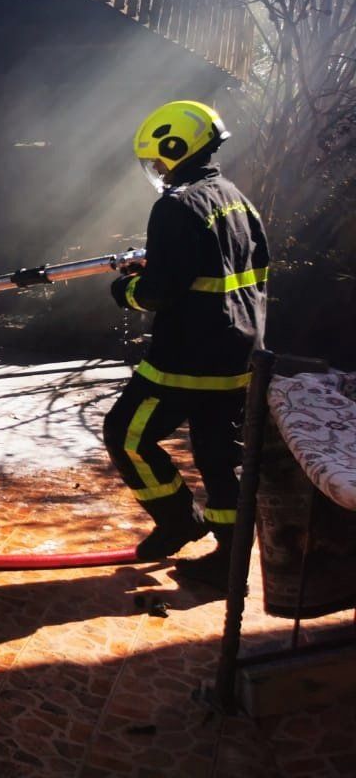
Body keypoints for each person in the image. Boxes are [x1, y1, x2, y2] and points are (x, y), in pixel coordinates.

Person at [103, 100, 270, 590]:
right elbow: (221, 270)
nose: (156, 168)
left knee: (125, 434)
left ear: (177, 147)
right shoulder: (236, 200)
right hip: (238, 353)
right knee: (217, 457)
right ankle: (230, 565)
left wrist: (126, 289)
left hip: (187, 356)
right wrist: (156, 266)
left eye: (157, 159)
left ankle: (179, 520)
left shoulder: (175, 206)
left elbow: (159, 292)